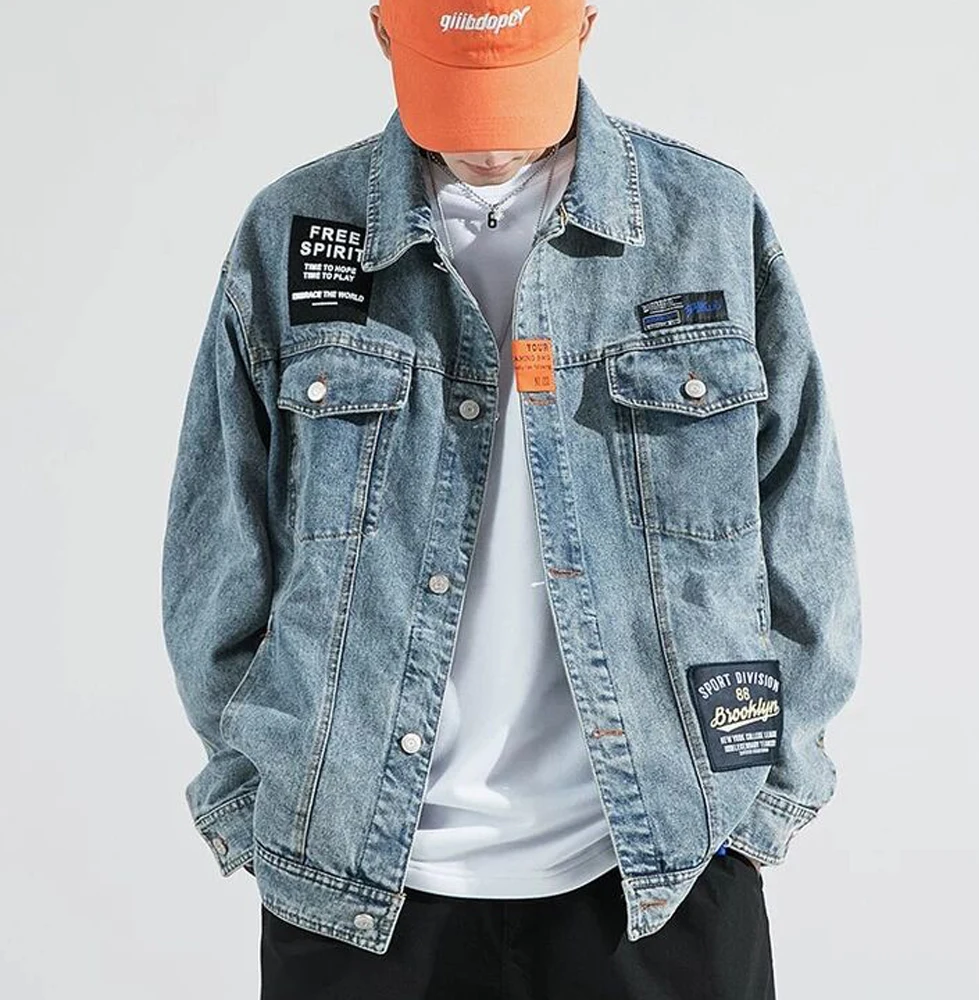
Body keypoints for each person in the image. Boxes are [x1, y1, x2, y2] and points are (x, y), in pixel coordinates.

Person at [160, 2, 862, 997]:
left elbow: (805, 532)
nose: (489, 141)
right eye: (457, 95)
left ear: (585, 25)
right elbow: (214, 553)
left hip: (661, 875)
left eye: (512, 95)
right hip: (352, 881)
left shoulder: (706, 222)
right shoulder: (290, 232)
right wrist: (254, 800)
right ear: (383, 34)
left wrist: (758, 806)